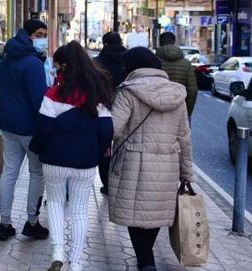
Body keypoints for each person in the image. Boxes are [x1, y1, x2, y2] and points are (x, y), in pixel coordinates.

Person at [31, 42, 114, 271]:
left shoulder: (54, 94)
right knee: (79, 210)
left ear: (65, 66)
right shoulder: (98, 93)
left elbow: (43, 128)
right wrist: (96, 150)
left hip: (54, 159)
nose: (55, 70)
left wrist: (37, 148)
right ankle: (76, 263)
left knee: (56, 202)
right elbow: (107, 130)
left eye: (57, 66)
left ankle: (57, 251)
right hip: (85, 161)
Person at [108, 47, 193, 271]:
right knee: (154, 214)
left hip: (133, 163)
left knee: (135, 214)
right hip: (167, 165)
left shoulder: (128, 91)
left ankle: (146, 261)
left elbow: (114, 129)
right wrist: (187, 173)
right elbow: (184, 137)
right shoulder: (177, 95)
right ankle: (146, 260)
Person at [0, 19, 50, 241]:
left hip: (8, 126)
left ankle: (4, 224)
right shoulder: (33, 63)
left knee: (9, 172)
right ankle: (32, 222)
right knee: (37, 173)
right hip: (30, 129)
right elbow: (39, 102)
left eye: (45, 34)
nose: (43, 38)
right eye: (39, 34)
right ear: (28, 36)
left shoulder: (8, 58)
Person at [93, 31, 127, 195]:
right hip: (126, 108)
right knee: (123, 146)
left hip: (103, 108)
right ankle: (122, 184)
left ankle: (107, 185)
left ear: (104, 43)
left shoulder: (97, 62)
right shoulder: (128, 60)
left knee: (105, 148)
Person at [155, 32, 198, 118]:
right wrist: (188, 112)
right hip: (180, 108)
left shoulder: (153, 61)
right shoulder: (186, 64)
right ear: (174, 42)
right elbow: (192, 90)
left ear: (159, 42)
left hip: (156, 108)